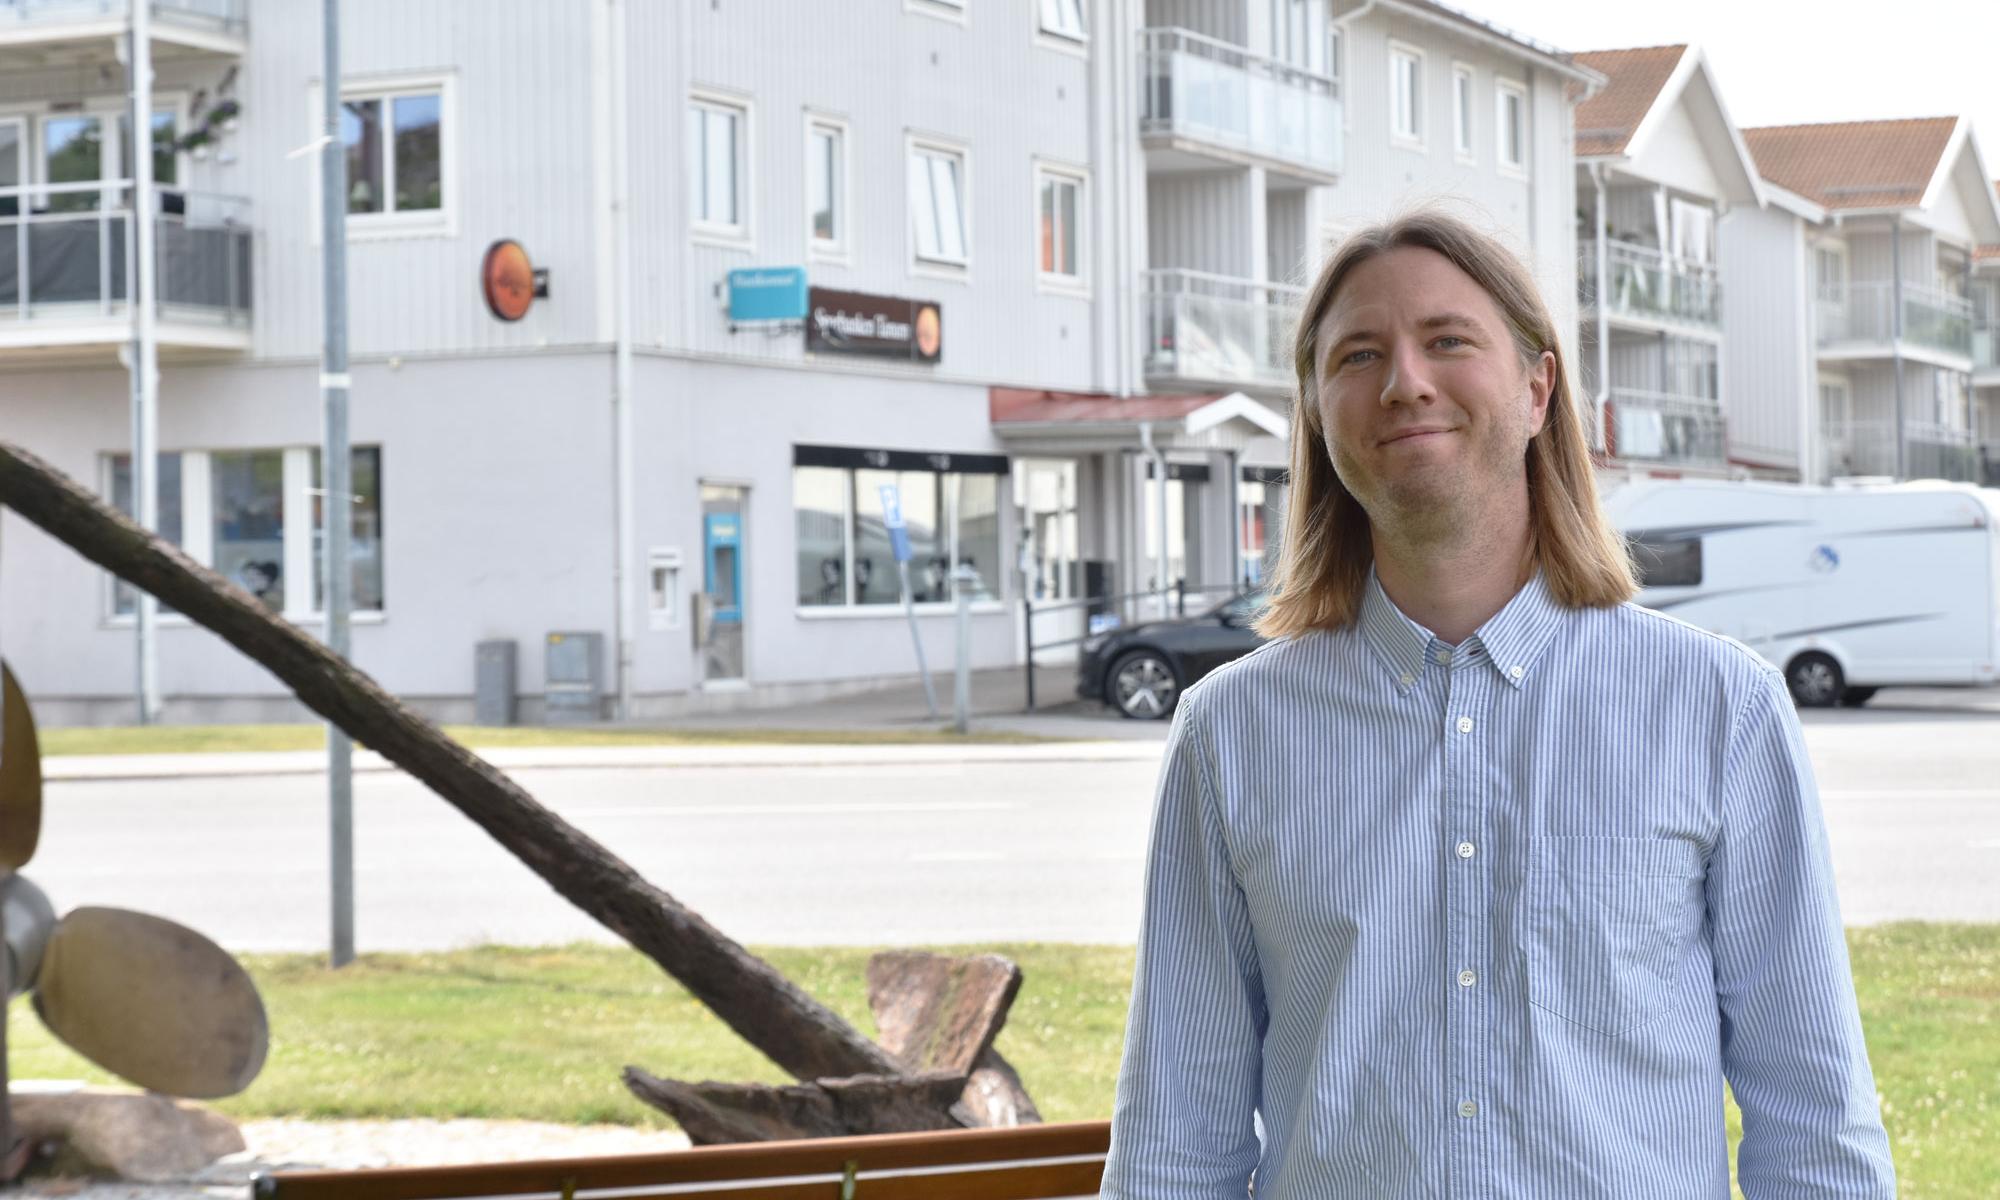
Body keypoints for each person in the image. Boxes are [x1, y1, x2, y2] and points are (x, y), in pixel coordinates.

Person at [1099, 210, 1895, 1197]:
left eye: (1446, 341)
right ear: (1313, 410)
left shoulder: (1716, 709)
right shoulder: (1228, 734)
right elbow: (1178, 1134)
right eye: (1356, 354)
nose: (1403, 382)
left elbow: (1812, 1119)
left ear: (1534, 387)